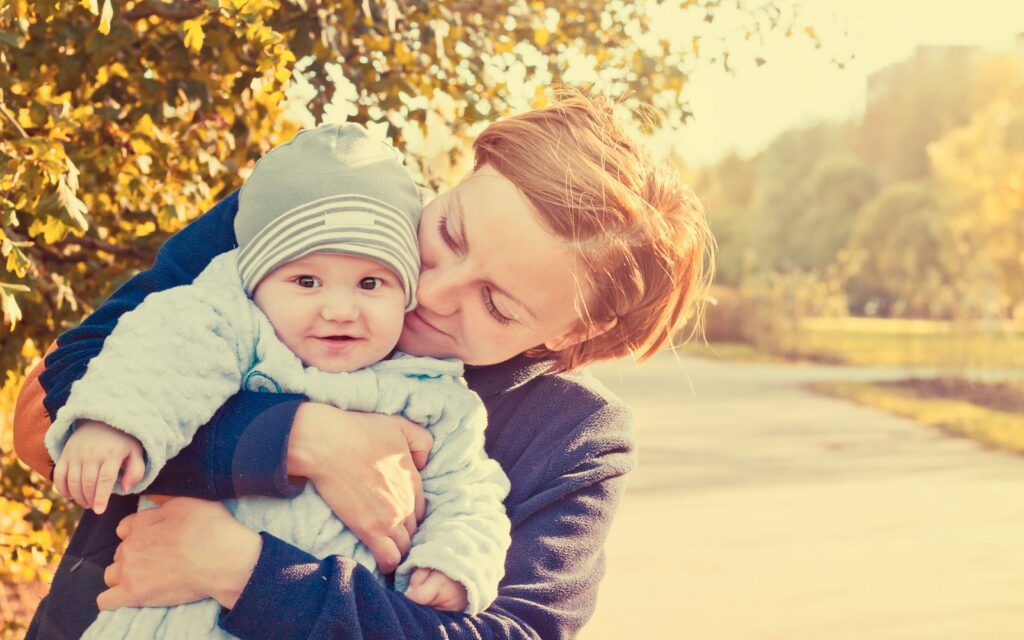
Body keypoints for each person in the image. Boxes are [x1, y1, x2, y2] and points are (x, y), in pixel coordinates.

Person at [14, 90, 715, 639]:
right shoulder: (309, 216)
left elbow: (508, 633)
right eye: (449, 231)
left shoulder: (574, 439)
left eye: (497, 306)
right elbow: (52, 407)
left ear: (572, 334)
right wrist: (296, 439)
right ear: (466, 172)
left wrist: (247, 572)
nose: (432, 293)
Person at [42, 123, 512, 639]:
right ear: (258, 281)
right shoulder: (238, 326)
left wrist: (452, 562)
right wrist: (116, 424)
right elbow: (161, 352)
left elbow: (469, 490)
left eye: (371, 283)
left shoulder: (434, 393)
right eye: (306, 281)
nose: (339, 309)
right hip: (170, 617)